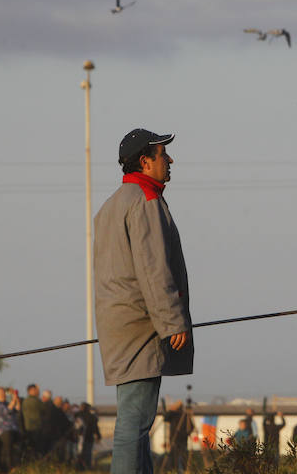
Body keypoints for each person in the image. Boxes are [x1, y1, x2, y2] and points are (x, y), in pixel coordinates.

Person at [95, 128, 193, 474]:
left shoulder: (110, 205)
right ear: (144, 161)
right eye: (163, 154)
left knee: (137, 426)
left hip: (119, 323)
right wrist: (172, 322)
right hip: (141, 326)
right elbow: (153, 269)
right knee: (133, 423)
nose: (170, 160)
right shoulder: (145, 200)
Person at [0, 387, 20, 473]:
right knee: (7, 451)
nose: (3, 394)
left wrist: (16, 398)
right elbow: (6, 411)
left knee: (13, 450)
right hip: (3, 431)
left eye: (4, 392)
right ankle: (7, 469)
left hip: (13, 430)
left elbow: (17, 409)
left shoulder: (7, 403)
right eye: (1, 393)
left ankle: (12, 468)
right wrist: (13, 400)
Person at [164, 399, 193, 473]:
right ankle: (174, 470)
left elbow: (191, 427)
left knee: (182, 457)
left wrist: (185, 434)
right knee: (174, 457)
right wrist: (171, 410)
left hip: (181, 440)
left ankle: (181, 470)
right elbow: (166, 418)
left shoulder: (185, 415)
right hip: (174, 439)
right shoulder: (173, 415)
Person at [75, 402, 101, 471]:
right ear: (88, 408)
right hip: (89, 438)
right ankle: (87, 468)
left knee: (79, 453)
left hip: (78, 438)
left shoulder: (77, 415)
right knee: (88, 454)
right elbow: (95, 428)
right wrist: (98, 436)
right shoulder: (92, 417)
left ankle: (79, 468)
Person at [21, 384, 44, 460]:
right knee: (37, 448)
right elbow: (43, 409)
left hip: (28, 427)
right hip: (35, 427)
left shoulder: (25, 401)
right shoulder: (35, 400)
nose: (36, 391)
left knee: (31, 447)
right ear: (30, 391)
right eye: (35, 390)